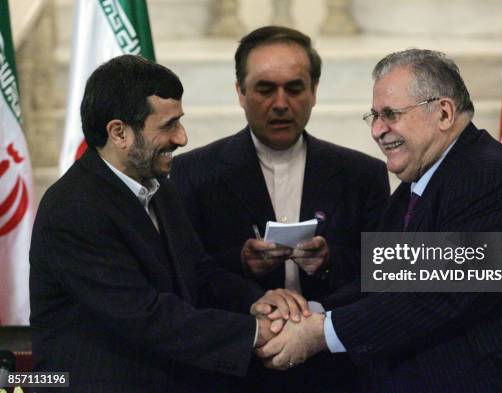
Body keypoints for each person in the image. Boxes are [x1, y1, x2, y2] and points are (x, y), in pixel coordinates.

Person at [256, 49, 502, 392]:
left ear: (443, 113)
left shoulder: (487, 179)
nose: (378, 130)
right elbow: (383, 277)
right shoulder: (421, 184)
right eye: (374, 116)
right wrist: (308, 312)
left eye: (391, 114)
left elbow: (436, 295)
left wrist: (321, 332)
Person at [29, 54, 309, 393]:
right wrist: (253, 332)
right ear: (119, 133)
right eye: (168, 126)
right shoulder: (74, 208)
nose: (182, 138)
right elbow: (143, 314)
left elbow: (199, 272)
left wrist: (254, 302)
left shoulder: (159, 188)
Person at [171, 26, 390, 393]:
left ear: (314, 91)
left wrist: (330, 262)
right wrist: (239, 263)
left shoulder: (362, 174)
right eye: (264, 88)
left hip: (335, 371)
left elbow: (381, 269)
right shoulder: (192, 174)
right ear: (240, 92)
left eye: (294, 88)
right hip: (232, 371)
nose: (280, 103)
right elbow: (181, 276)